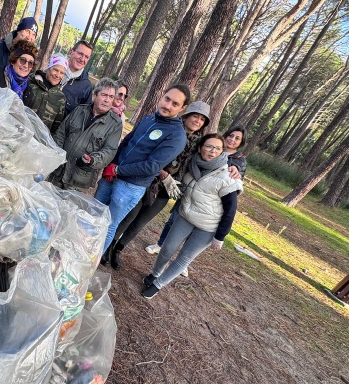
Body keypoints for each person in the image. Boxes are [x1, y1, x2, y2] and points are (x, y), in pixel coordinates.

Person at [104, 100, 211, 270]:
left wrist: (234, 166)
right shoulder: (172, 132)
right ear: (186, 115)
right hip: (148, 181)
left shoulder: (199, 144)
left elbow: (214, 154)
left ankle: (118, 249)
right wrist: (163, 174)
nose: (197, 121)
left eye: (202, 119)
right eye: (195, 116)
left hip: (167, 190)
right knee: (129, 216)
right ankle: (109, 246)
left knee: (140, 223)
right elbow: (152, 157)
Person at [141, 134, 243, 299]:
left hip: (208, 227)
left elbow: (230, 210)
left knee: (184, 258)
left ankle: (158, 285)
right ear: (200, 148)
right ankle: (155, 273)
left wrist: (220, 236)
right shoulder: (191, 165)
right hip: (185, 216)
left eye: (218, 148)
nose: (213, 151)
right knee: (167, 248)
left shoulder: (227, 176)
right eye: (209, 146)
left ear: (222, 152)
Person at [94, 84, 191, 254]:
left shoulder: (176, 136)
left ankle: (90, 261)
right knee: (93, 215)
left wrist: (117, 170)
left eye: (175, 104)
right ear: (162, 96)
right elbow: (126, 143)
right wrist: (111, 165)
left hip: (130, 187)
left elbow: (152, 166)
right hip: (112, 176)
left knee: (108, 224)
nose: (168, 105)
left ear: (182, 108)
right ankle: (76, 252)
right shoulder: (149, 119)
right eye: (167, 99)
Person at [144, 125, 248, 258]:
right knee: (173, 220)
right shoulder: (211, 145)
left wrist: (233, 168)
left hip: (207, 202)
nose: (232, 139)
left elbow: (234, 182)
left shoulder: (239, 161)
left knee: (193, 231)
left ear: (241, 142)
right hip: (190, 191)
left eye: (237, 138)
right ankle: (160, 245)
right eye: (231, 135)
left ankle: (182, 257)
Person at [51, 78, 122, 190]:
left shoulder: (115, 124)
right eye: (104, 95)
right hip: (58, 171)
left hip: (79, 180)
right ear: (94, 95)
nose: (107, 100)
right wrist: (57, 154)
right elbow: (61, 132)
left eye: (111, 97)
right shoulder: (79, 110)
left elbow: (109, 151)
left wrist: (92, 160)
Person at [23, 53, 68, 133]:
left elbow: (55, 128)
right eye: (55, 70)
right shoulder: (30, 82)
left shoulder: (60, 98)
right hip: (20, 131)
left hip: (39, 139)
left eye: (62, 73)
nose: (58, 75)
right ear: (48, 68)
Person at [61, 40, 94, 116]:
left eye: (86, 57)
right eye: (80, 54)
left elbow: (83, 116)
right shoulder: (54, 68)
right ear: (70, 52)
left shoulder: (86, 87)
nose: (82, 59)